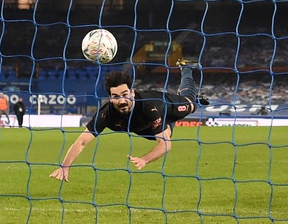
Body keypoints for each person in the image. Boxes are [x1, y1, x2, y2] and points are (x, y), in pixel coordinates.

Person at [49, 62, 205, 181]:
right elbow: (81, 142)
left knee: (191, 103)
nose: (122, 100)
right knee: (165, 131)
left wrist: (144, 159)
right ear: (110, 98)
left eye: (125, 94)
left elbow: (165, 144)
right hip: (150, 128)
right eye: (116, 97)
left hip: (166, 107)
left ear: (132, 92)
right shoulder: (106, 114)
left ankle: (186, 68)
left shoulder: (149, 106)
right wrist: (65, 167)